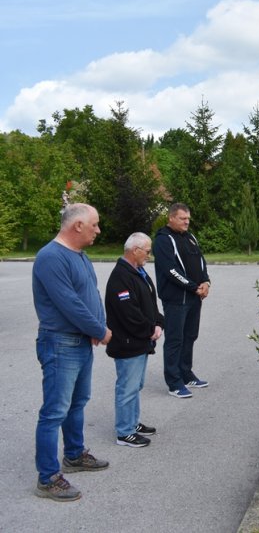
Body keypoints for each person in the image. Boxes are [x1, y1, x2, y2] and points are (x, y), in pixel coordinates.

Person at [32, 203, 112, 502]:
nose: (98, 229)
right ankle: (48, 478)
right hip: (60, 342)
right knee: (54, 411)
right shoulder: (50, 257)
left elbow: (90, 294)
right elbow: (70, 304)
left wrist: (96, 326)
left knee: (77, 403)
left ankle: (75, 455)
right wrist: (100, 331)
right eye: (95, 224)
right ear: (77, 225)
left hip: (79, 340)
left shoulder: (80, 255)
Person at [105, 233, 164, 447]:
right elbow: (128, 312)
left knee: (136, 385)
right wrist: (149, 329)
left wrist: (158, 322)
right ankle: (124, 432)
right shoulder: (121, 276)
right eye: (147, 251)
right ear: (135, 250)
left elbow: (150, 302)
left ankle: (133, 421)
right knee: (127, 387)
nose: (150, 255)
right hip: (127, 343)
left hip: (140, 341)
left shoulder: (139, 272)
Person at [153, 203, 211, 398]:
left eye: (188, 219)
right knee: (175, 339)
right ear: (171, 218)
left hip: (194, 297)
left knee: (190, 336)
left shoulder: (190, 237)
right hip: (176, 299)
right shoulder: (163, 240)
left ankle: (186, 373)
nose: (187, 222)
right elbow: (170, 270)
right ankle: (174, 381)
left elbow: (201, 261)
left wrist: (205, 282)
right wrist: (193, 287)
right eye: (182, 218)